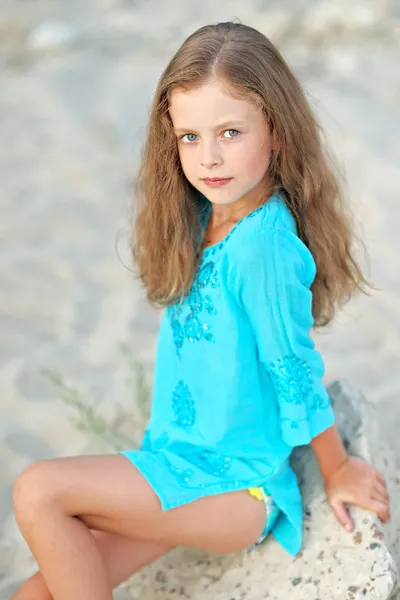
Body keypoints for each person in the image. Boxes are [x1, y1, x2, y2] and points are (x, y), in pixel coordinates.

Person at [11, 21, 391, 600]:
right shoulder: (203, 213)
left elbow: (294, 368)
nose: (208, 158)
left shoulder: (262, 247)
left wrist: (337, 468)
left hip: (237, 488)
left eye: (230, 132)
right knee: (41, 590)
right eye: (189, 137)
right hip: (178, 459)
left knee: (39, 490)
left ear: (278, 132)